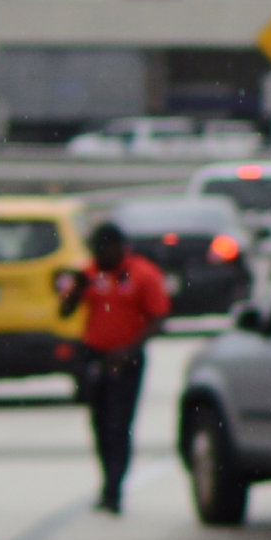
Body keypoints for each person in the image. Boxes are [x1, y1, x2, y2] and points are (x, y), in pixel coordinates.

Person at [73, 218, 173, 513]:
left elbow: (159, 318)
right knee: (99, 424)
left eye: (102, 251)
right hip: (94, 356)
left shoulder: (143, 274)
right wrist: (76, 288)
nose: (98, 258)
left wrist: (130, 350)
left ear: (118, 248)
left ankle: (115, 487)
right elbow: (66, 310)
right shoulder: (89, 273)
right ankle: (107, 479)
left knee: (119, 425)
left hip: (126, 360)